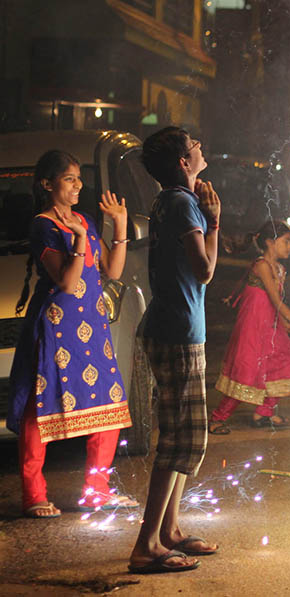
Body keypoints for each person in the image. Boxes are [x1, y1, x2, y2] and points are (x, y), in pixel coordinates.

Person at [8, 150, 138, 518]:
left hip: (92, 327)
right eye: (69, 178)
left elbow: (110, 271)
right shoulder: (42, 226)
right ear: (47, 184)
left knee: (108, 404)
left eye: (79, 178)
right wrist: (79, 240)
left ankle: (97, 489)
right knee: (41, 408)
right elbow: (66, 282)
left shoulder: (84, 220)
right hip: (56, 328)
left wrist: (120, 225)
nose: (78, 185)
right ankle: (34, 494)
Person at [128, 127, 220, 574]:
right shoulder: (185, 204)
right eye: (194, 144)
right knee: (180, 438)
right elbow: (204, 271)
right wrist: (216, 221)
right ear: (185, 161)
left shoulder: (168, 199)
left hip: (171, 324)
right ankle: (147, 544)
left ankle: (170, 531)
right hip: (178, 329)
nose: (201, 146)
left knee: (183, 435)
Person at [208, 220, 290, 434]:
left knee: (287, 365)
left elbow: (270, 304)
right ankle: (217, 419)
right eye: (285, 241)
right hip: (252, 329)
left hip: (271, 329)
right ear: (269, 242)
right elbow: (276, 301)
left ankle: (264, 412)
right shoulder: (262, 266)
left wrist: (286, 325)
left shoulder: (279, 268)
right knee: (246, 374)